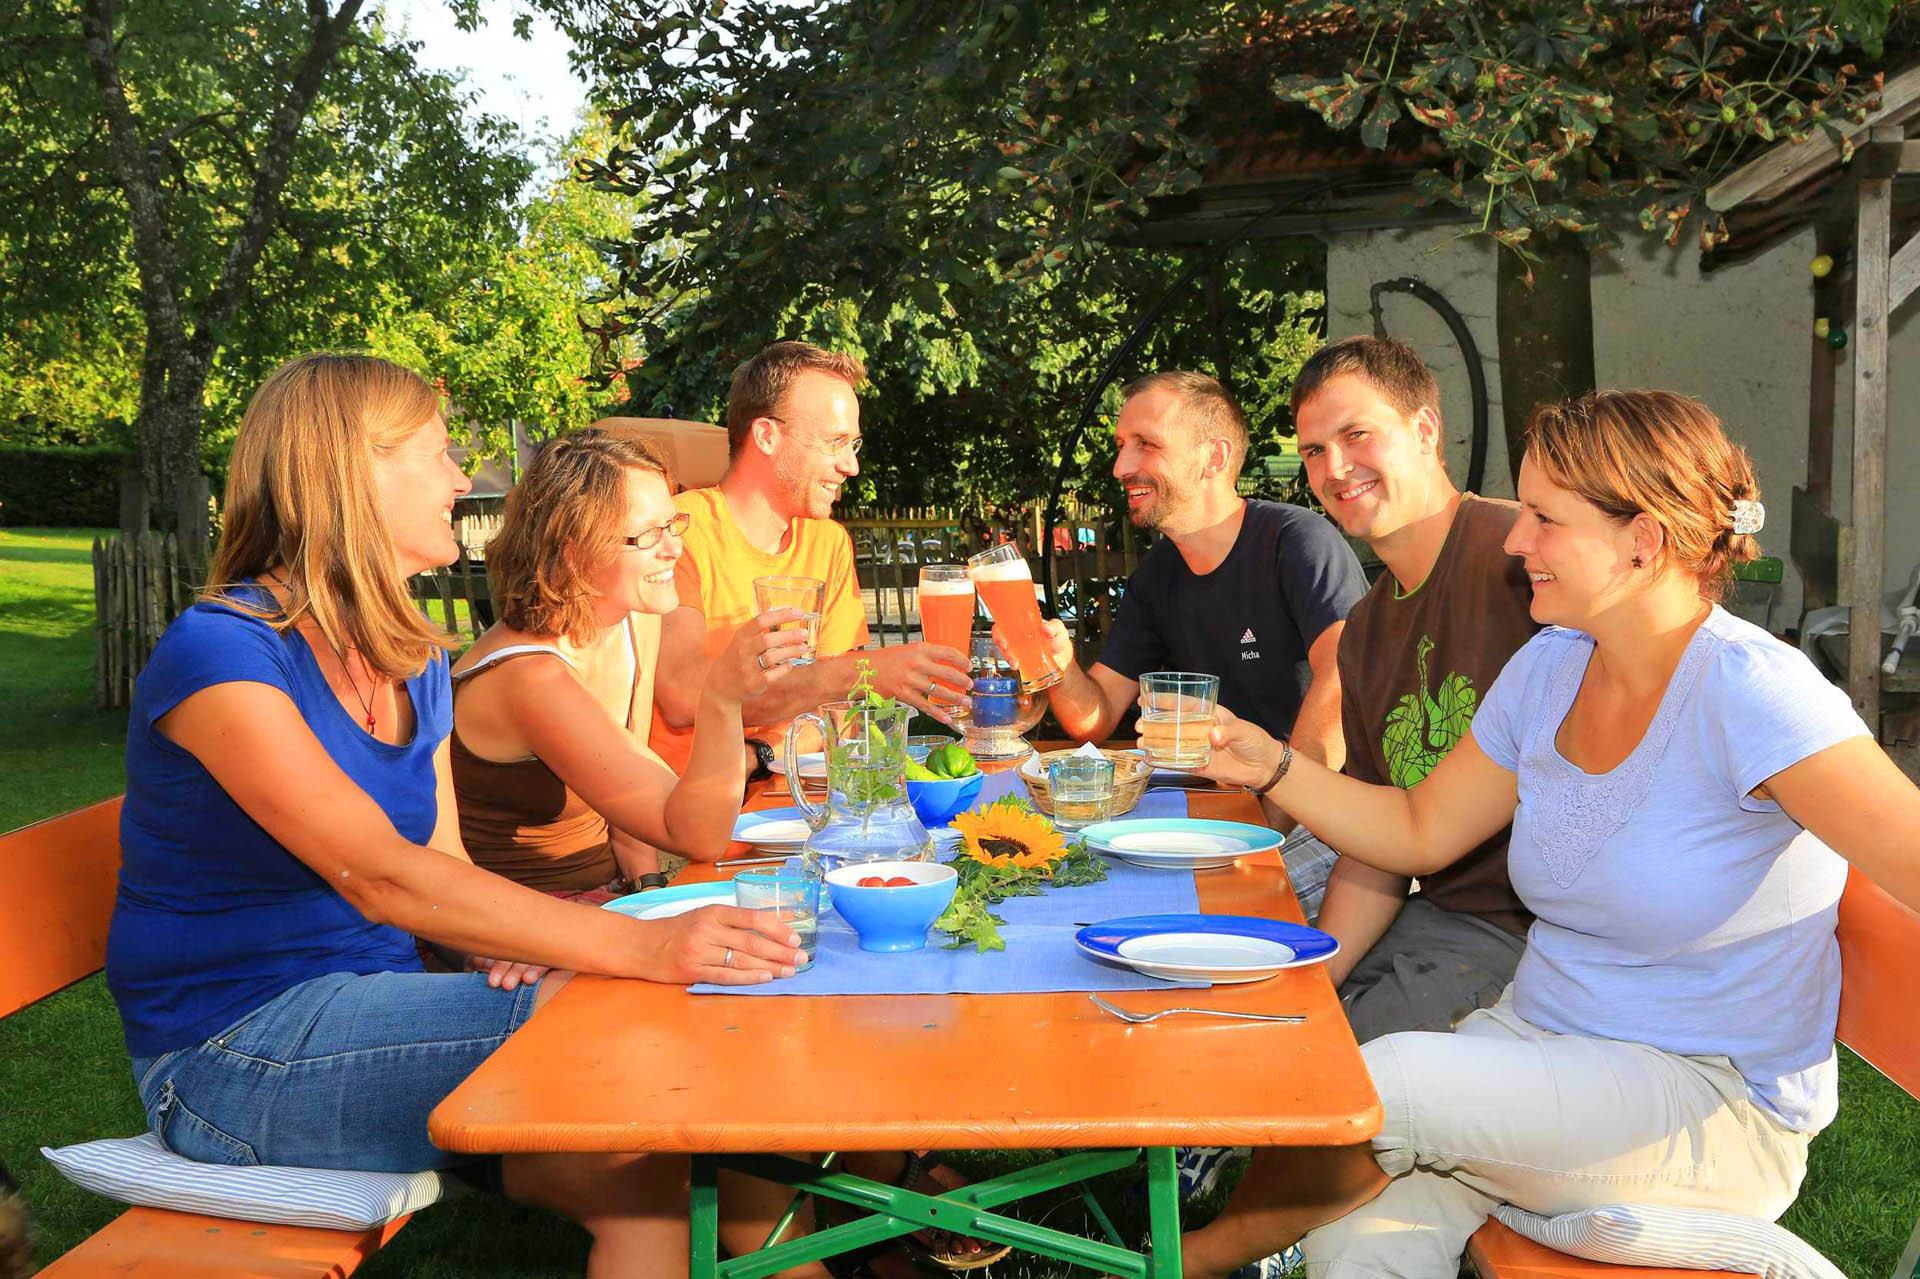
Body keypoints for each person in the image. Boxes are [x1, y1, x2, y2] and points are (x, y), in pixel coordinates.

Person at [1161, 388, 1920, 1279]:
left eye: (1546, 519)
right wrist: (1272, 766)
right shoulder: (1550, 667)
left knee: (1383, 1082)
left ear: (1646, 538)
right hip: (1537, 1049)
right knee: (1354, 1247)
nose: (1516, 541)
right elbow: (1415, 828)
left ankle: (1178, 1263)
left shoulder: (1754, 693)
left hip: (1706, 1105)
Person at [106, 353, 820, 1277]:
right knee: (636, 1014)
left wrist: (511, 943)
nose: (462, 479)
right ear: (355, 469)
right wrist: (638, 943)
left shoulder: (410, 660)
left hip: (378, 1009)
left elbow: (445, 863)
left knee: (652, 1186)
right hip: (232, 1058)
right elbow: (383, 874)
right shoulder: (221, 653)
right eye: (442, 455)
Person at [1006, 371, 1366, 900]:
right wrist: (1057, 662)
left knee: (1217, 908)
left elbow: (1342, 687)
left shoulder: (1297, 541)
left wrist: (1261, 827)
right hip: (1222, 805)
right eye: (1122, 446)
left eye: (1146, 445)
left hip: (1330, 811)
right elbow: (1095, 716)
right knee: (1078, 884)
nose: (1121, 467)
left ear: (1214, 457)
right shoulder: (1160, 572)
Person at [1292, 337, 1537, 1044]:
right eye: (1313, 450)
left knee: (1332, 1084)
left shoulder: (1520, 558)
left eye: (1356, 434)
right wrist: (1313, 982)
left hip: (1539, 934)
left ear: (1425, 430)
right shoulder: (1367, 626)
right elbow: (1374, 844)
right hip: (1437, 915)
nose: (1334, 468)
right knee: (1283, 1036)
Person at [450, 430, 806, 895]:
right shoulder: (528, 677)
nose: (674, 549)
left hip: (607, 898)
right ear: (575, 552)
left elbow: (633, 816)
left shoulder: (633, 621)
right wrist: (721, 697)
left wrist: (649, 889)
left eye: (673, 524)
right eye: (647, 535)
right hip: (523, 935)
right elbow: (697, 834)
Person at [650, 341, 971, 779]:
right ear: (766, 435)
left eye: (854, 444)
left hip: (795, 798)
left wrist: (759, 754)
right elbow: (682, 695)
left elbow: (839, 712)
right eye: (835, 442)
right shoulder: (680, 530)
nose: (851, 466)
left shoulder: (828, 542)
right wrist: (863, 671)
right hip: (684, 816)